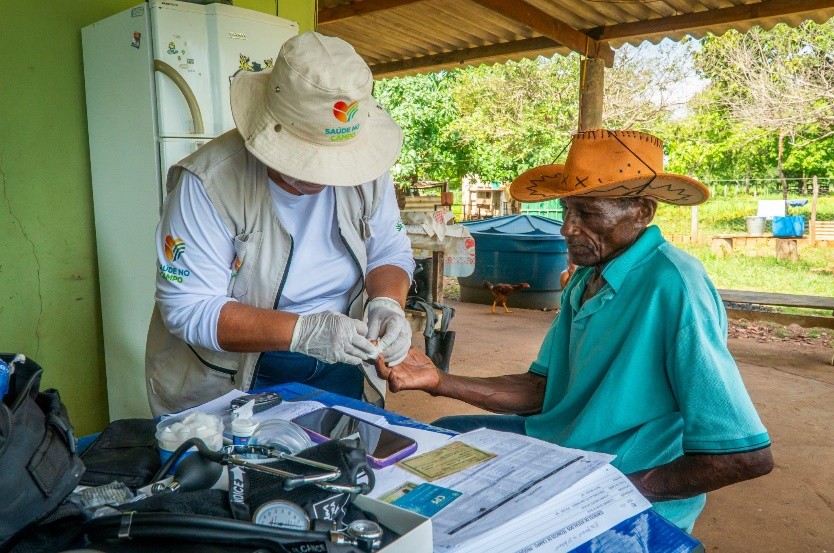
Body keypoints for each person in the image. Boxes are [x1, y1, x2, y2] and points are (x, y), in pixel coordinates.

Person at [375, 129, 773, 532]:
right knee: (443, 438)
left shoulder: (675, 285)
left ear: (642, 212)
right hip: (562, 450)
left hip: (621, 477)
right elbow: (541, 390)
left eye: (588, 214)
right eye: (567, 210)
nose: (567, 228)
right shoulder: (585, 279)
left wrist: (601, 489)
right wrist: (439, 380)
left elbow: (743, 456)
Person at [145, 32, 414, 416]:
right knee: (248, 455)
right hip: (236, 370)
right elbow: (189, 307)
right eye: (309, 159)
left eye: (337, 162)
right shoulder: (209, 182)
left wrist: (388, 303)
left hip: (345, 354)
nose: (326, 177)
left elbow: (388, 250)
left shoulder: (367, 170)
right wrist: (304, 332)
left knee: (344, 449)